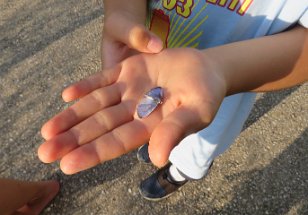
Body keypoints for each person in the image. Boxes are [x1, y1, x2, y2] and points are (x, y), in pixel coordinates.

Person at [37, 0, 307, 201]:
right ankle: (159, 148)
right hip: (147, 72)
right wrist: (123, 12)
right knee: (151, 131)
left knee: (197, 146)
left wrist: (221, 70)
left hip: (223, 86)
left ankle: (180, 172)